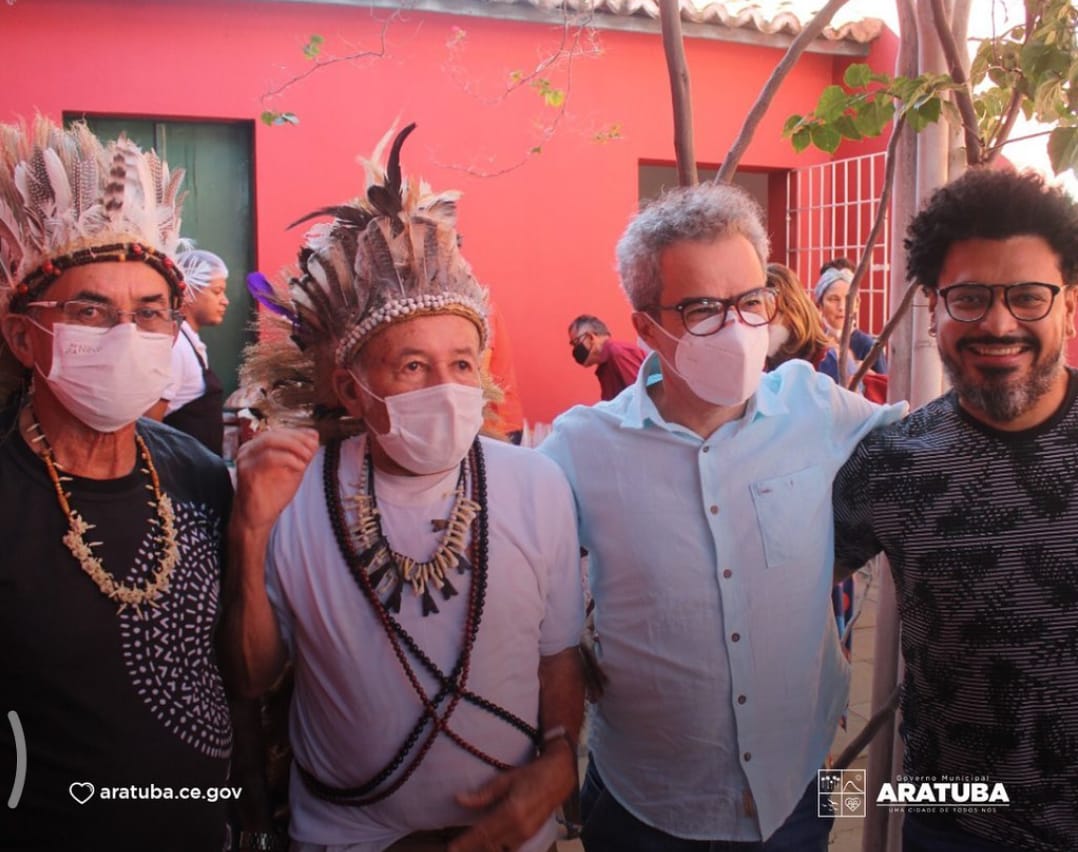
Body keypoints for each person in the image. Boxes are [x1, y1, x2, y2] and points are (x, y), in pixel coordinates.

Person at [221, 123, 585, 852]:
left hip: (511, 838)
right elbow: (254, 677)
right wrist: (249, 536)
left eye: (462, 364)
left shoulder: (537, 484)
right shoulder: (293, 496)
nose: (445, 388)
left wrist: (560, 759)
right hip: (341, 835)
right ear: (351, 390)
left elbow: (560, 657)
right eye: (412, 367)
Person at [539, 182, 905, 852]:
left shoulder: (814, 406)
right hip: (644, 807)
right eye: (704, 308)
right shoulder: (582, 447)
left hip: (795, 798)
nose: (737, 327)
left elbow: (931, 449)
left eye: (750, 301)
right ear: (646, 327)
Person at [0, 118, 233, 849]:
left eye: (151, 313)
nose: (127, 334)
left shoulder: (200, 476)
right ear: (23, 336)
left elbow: (233, 670)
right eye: (90, 310)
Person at [834, 168, 1078, 852]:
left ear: (1069, 306)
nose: (998, 324)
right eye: (969, 298)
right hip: (958, 820)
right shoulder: (892, 464)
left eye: (1028, 296)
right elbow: (778, 589)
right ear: (933, 309)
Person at [149, 244, 230, 454]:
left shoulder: (190, 341)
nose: (225, 301)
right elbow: (149, 425)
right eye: (217, 291)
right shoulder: (177, 347)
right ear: (188, 291)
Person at [814, 259, 888, 379]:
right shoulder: (814, 345)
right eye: (833, 299)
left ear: (857, 304)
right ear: (819, 305)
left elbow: (884, 386)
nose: (842, 307)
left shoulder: (869, 347)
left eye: (849, 299)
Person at [764, 262, 831, 371]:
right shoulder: (760, 358)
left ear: (791, 310)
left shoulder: (825, 360)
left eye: (770, 312)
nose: (761, 323)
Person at [568, 314, 644, 400]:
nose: (575, 349)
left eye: (576, 343)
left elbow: (642, 395)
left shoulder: (618, 353)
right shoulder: (605, 365)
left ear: (591, 337)